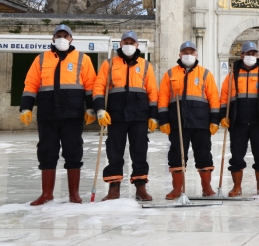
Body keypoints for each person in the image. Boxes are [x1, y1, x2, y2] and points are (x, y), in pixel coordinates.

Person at [20, 24, 97, 205]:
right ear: (53, 39)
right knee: (47, 152)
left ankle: (74, 194)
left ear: (71, 39)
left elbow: (91, 85)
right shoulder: (41, 59)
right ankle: (47, 193)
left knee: (73, 152)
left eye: (65, 35)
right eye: (58, 35)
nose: (62, 38)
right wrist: (26, 108)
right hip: (48, 114)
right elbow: (30, 84)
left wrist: (90, 108)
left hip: (73, 114)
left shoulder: (82, 59)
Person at [93, 31, 158, 201]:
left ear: (137, 45)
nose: (128, 45)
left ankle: (140, 187)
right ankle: (114, 188)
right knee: (114, 151)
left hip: (139, 115)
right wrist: (100, 109)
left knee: (139, 151)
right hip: (115, 115)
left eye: (132, 42)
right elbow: (99, 88)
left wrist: (154, 116)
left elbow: (152, 92)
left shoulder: (145, 65)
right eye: (125, 42)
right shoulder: (109, 64)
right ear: (120, 44)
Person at [158, 41, 220, 199]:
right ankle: (177, 189)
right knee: (177, 155)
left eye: (191, 52)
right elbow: (163, 98)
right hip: (178, 122)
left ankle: (207, 187)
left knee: (204, 155)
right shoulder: (170, 74)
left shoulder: (205, 74)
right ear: (179, 54)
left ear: (196, 54)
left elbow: (214, 98)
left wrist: (214, 120)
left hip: (201, 122)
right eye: (185, 52)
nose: (188, 55)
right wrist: (163, 120)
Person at [220, 41, 259, 196]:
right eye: (248, 54)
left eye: (254, 54)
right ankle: (237, 187)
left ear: (257, 55)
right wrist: (222, 116)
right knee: (237, 156)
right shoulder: (232, 75)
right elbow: (224, 97)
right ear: (242, 55)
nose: (251, 56)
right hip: (238, 122)